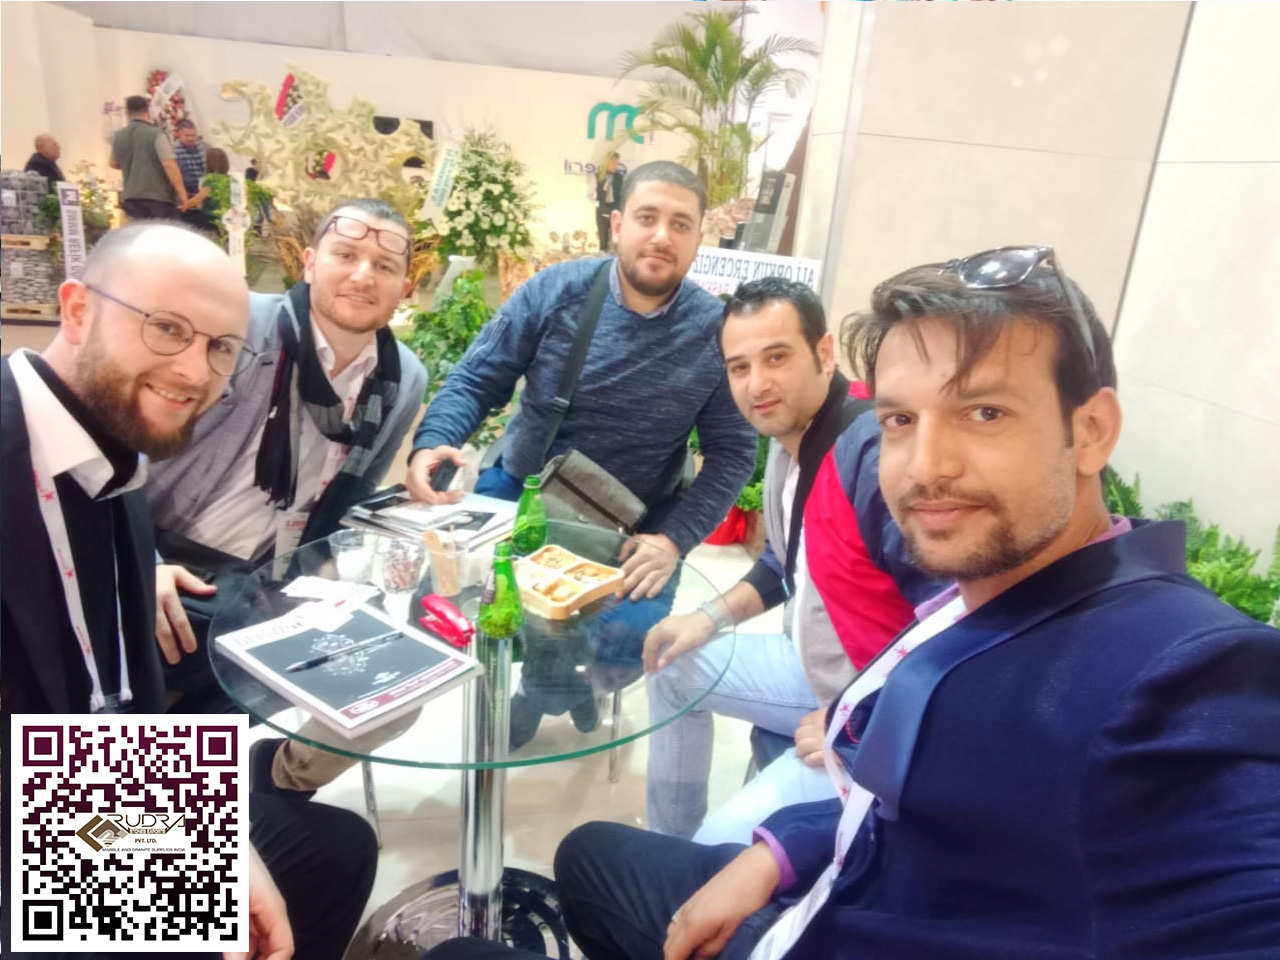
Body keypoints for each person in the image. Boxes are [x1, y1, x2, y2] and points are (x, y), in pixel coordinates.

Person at [425, 246, 1280, 960]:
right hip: (825, 867)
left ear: (1090, 430)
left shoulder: (1180, 670)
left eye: (984, 412)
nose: (927, 465)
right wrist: (785, 843)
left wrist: (844, 720)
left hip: (836, 820)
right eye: (903, 418)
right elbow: (794, 573)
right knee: (594, 846)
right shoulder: (940, 558)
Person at [0, 221, 377, 960]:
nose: (195, 372)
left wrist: (212, 842)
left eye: (222, 348)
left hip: (96, 797)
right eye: (167, 328)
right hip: (37, 846)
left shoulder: (111, 465)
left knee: (334, 852)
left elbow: (117, 712)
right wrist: (191, 856)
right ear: (77, 310)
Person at [145, 198, 428, 796]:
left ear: (405, 288)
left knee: (396, 678)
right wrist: (140, 561)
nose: (362, 275)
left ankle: (271, 780)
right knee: (156, 673)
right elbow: (117, 446)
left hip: (271, 579)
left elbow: (355, 493)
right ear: (309, 261)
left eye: (384, 266)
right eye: (346, 254)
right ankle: (160, 801)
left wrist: (333, 574)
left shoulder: (403, 377)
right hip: (170, 557)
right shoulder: (238, 324)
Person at [641, 277, 935, 844]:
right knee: (670, 664)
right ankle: (669, 843)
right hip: (807, 665)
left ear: (824, 354)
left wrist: (863, 723)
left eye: (777, 358)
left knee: (716, 853)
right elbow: (783, 562)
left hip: (865, 701)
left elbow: (953, 621)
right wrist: (706, 619)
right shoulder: (788, 445)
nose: (757, 384)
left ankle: (691, 858)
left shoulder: (870, 457)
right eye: (739, 367)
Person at [406, 160, 757, 604]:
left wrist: (673, 538)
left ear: (698, 241)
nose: (662, 236)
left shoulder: (717, 330)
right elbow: (477, 378)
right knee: (456, 615)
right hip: (522, 496)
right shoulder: (553, 291)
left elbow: (734, 450)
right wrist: (435, 441)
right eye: (647, 217)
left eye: (680, 224)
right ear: (618, 225)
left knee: (616, 647)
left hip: (636, 530)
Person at [110, 94, 188, 221]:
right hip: (157, 198)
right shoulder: (156, 134)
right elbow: (169, 164)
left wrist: (134, 164)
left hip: (131, 198)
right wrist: (182, 194)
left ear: (127, 112)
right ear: (147, 111)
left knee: (139, 232)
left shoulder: (119, 136)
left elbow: (113, 163)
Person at [183, 147, 232, 237]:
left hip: (212, 217)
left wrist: (184, 206)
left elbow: (198, 199)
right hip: (228, 217)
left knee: (182, 217)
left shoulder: (210, 179)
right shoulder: (232, 180)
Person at [171, 118, 208, 230]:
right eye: (187, 135)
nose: (191, 138)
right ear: (179, 134)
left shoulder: (204, 148)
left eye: (193, 135)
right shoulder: (173, 151)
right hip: (183, 199)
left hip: (203, 197)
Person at [595, 151, 623, 253]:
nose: (615, 165)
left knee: (615, 240)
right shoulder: (598, 175)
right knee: (603, 241)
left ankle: (614, 259)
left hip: (615, 210)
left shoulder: (619, 177)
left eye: (617, 163)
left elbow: (619, 195)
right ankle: (603, 258)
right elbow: (596, 194)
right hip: (602, 210)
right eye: (613, 162)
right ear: (606, 162)